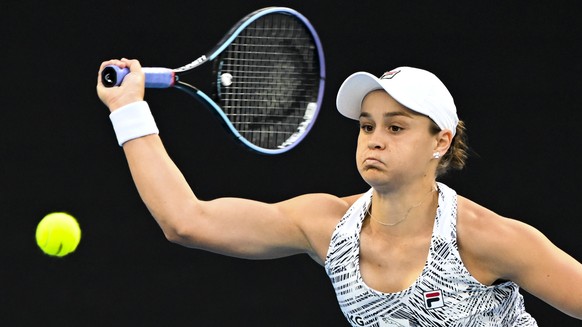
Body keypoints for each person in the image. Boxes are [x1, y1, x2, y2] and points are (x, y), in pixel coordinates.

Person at [96, 58, 582, 326]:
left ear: (441, 140)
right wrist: (127, 108)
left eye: (396, 127)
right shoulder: (327, 225)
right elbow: (187, 221)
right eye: (367, 125)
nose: (374, 138)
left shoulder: (489, 239)